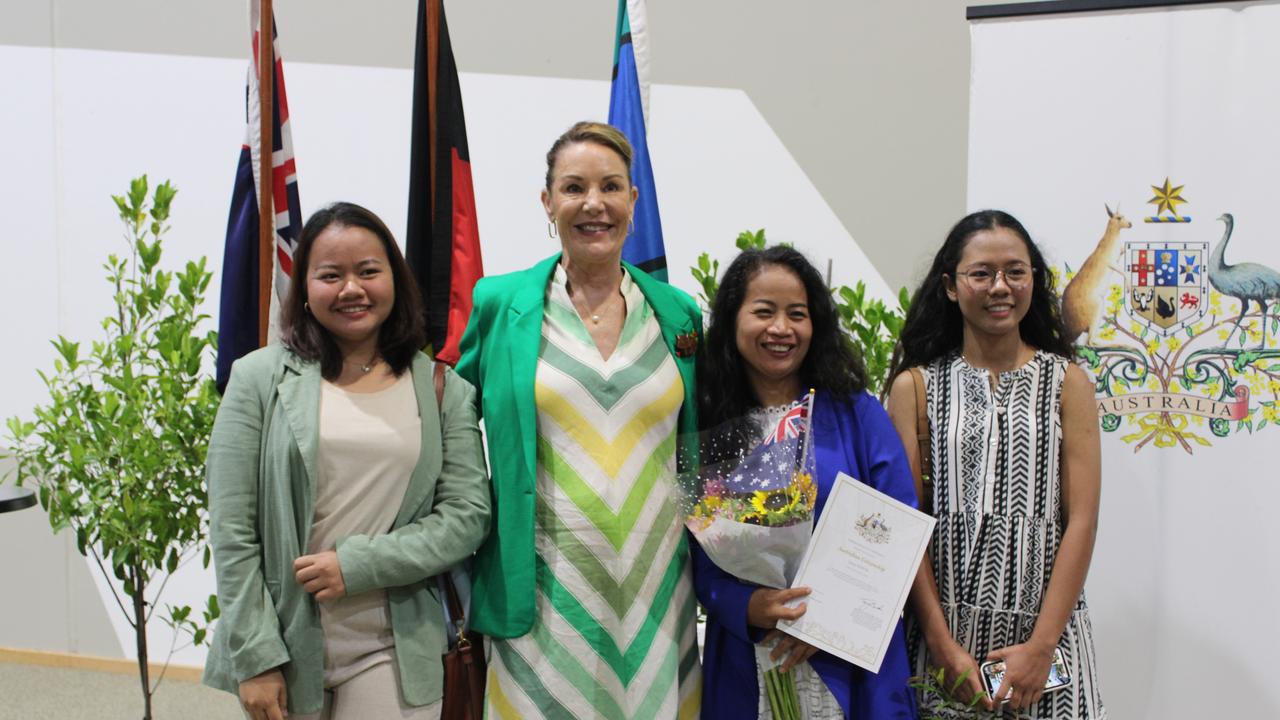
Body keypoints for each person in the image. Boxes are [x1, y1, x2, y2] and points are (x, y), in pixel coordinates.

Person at [202, 202, 491, 720]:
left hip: (397, 648)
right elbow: (232, 529)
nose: (351, 289)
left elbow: (467, 517)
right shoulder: (256, 379)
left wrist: (356, 565)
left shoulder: (442, 388)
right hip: (285, 644)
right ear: (305, 288)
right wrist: (254, 657)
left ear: (395, 280)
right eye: (330, 275)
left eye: (368, 271)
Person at [455, 120, 703, 719]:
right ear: (548, 202)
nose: (594, 203)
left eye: (611, 187)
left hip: (657, 591)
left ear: (632, 202)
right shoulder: (501, 303)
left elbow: (695, 444)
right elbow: (453, 420)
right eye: (574, 188)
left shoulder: (677, 313)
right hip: (543, 591)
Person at [885, 210, 1105, 718]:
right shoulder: (914, 387)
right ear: (950, 286)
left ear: (1034, 280)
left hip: (1049, 646)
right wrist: (941, 648)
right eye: (981, 273)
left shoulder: (1067, 382)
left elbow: (1083, 520)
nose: (1000, 286)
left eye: (1015, 271)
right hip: (945, 651)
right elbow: (906, 525)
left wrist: (1041, 647)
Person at [695, 246, 919, 719]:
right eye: (763, 312)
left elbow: (898, 531)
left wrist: (829, 616)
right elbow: (693, 555)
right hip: (747, 653)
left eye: (797, 314)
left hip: (848, 656)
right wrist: (747, 605)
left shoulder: (856, 412)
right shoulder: (709, 420)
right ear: (732, 320)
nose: (781, 329)